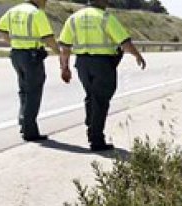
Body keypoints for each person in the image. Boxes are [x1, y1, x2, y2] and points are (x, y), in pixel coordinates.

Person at [58, 0, 146, 151]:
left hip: (82, 64)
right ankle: (96, 139)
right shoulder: (105, 17)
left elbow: (65, 47)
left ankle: (92, 125)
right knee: (100, 99)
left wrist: (64, 68)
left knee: (91, 96)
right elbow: (124, 43)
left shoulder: (73, 18)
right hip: (102, 64)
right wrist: (138, 55)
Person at [0, 0, 60, 142]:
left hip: (16, 55)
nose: (45, 2)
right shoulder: (36, 13)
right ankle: (30, 131)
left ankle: (23, 122)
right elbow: (48, 37)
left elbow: (0, 28)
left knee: (24, 89)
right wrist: (58, 52)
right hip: (32, 57)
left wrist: (11, 42)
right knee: (33, 92)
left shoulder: (14, 10)